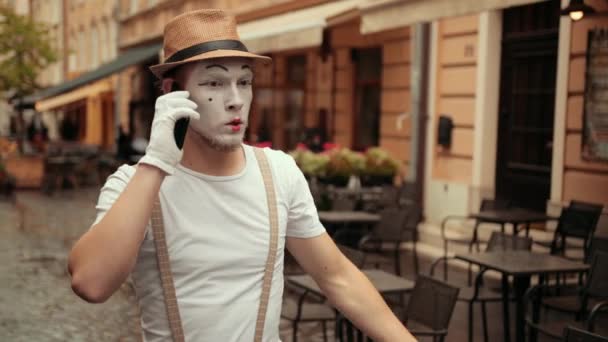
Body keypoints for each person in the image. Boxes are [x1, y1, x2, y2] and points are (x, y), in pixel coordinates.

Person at [67, 9, 415, 342]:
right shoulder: (136, 185)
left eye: (244, 82)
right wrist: (156, 162)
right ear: (173, 93)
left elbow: (339, 278)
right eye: (214, 83)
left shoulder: (278, 173)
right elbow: (91, 283)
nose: (236, 100)